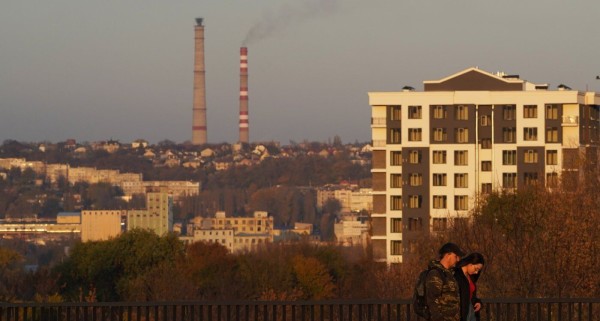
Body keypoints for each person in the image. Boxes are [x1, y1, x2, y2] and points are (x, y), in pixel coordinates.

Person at [425, 242, 466, 321]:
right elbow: (432, 300)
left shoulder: (450, 274)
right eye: (456, 256)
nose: (458, 259)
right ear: (448, 255)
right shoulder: (436, 274)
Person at [453, 252, 485, 321]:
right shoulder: (456, 275)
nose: (476, 272)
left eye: (478, 270)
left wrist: (477, 302)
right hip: (461, 314)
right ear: (470, 264)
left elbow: (470, 295)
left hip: (471, 312)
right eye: (476, 269)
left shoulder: (471, 277)